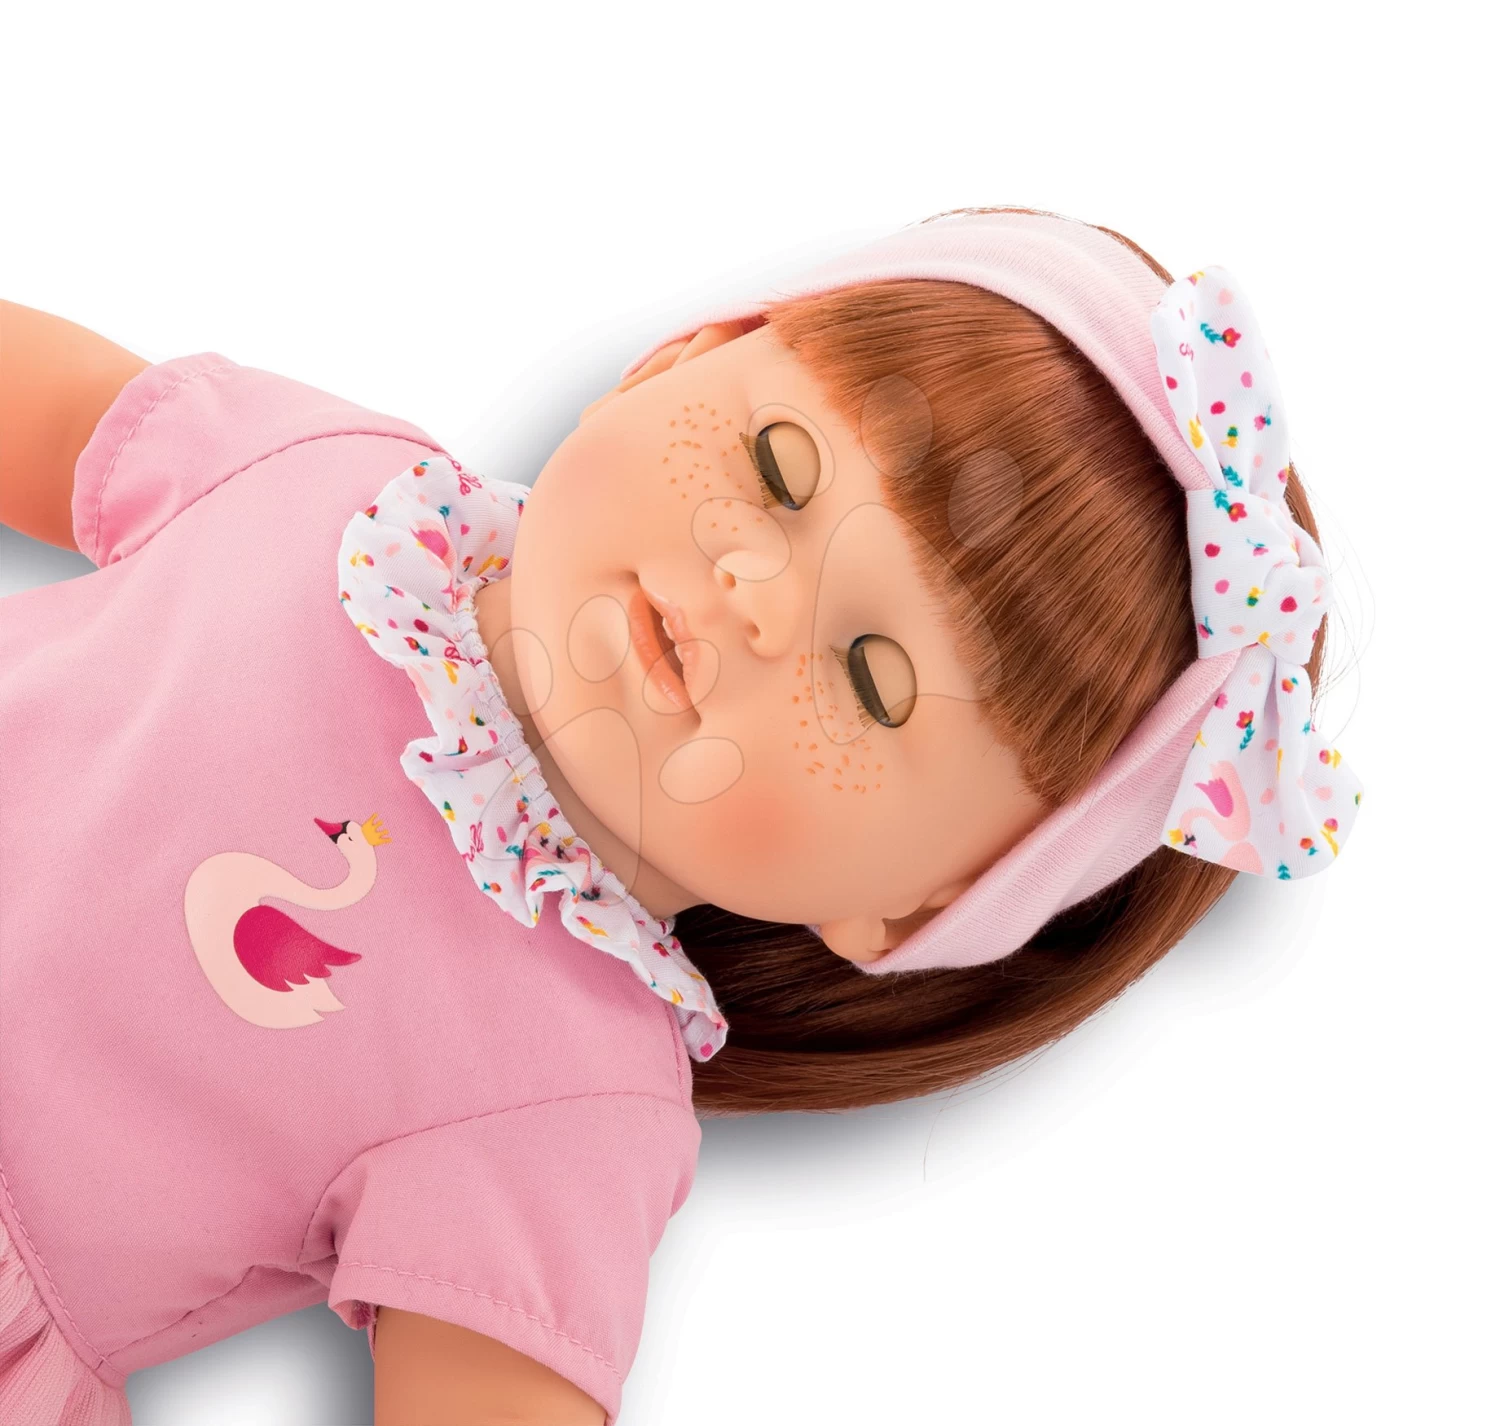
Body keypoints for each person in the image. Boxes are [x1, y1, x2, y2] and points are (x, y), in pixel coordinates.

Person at [0, 205, 1362, 1425]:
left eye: (872, 680)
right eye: (779, 464)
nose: (760, 590)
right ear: (686, 356)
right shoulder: (329, 478)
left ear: (906, 912)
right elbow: (54, 411)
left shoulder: (563, 1096)